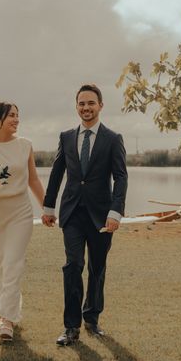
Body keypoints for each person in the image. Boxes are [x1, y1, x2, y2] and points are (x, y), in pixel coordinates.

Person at [42, 84, 128, 346]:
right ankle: (71, 327)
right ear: (76, 106)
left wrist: (116, 212)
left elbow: (121, 177)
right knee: (73, 265)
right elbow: (57, 172)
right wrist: (48, 207)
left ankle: (92, 318)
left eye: (91, 103)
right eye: (81, 103)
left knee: (97, 268)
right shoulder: (66, 137)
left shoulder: (113, 139)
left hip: (102, 216)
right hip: (72, 214)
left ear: (100, 106)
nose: (86, 108)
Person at [0, 102, 45, 343]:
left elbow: (33, 180)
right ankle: (10, 308)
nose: (16, 119)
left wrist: (48, 209)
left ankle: (6, 320)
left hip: (20, 212)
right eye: (11, 115)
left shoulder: (25, 146)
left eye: (17, 116)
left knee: (13, 263)